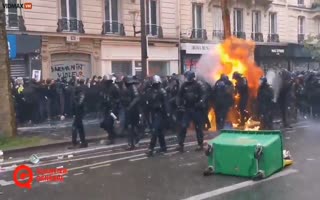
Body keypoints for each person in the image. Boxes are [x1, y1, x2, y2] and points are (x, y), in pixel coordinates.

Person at [176, 71, 207, 152]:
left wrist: (200, 102)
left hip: (196, 109)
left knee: (198, 128)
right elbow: (179, 95)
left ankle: (200, 144)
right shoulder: (184, 85)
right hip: (187, 109)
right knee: (183, 126)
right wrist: (179, 104)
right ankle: (180, 144)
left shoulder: (198, 84)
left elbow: (204, 94)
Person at [146, 75, 168, 157]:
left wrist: (166, 114)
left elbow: (166, 104)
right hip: (153, 113)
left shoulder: (162, 91)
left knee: (155, 131)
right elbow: (148, 101)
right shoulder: (150, 91)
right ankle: (163, 147)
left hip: (160, 113)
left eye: (157, 83)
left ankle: (151, 149)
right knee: (159, 132)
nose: (156, 85)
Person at [121, 76, 141, 150]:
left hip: (134, 110)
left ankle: (135, 141)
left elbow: (137, 97)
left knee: (134, 126)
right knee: (129, 127)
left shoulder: (133, 87)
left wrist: (130, 105)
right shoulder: (125, 88)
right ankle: (131, 143)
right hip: (128, 110)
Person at [100, 77, 120, 145]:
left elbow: (118, 97)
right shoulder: (106, 88)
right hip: (107, 108)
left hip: (112, 108)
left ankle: (111, 137)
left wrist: (114, 104)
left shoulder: (114, 87)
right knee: (105, 123)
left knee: (109, 122)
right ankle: (112, 134)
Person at [69, 79, 88, 149]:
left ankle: (75, 143)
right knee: (80, 127)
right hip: (78, 113)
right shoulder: (78, 93)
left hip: (79, 112)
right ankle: (83, 142)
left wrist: (75, 101)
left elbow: (79, 104)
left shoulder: (80, 94)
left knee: (75, 127)